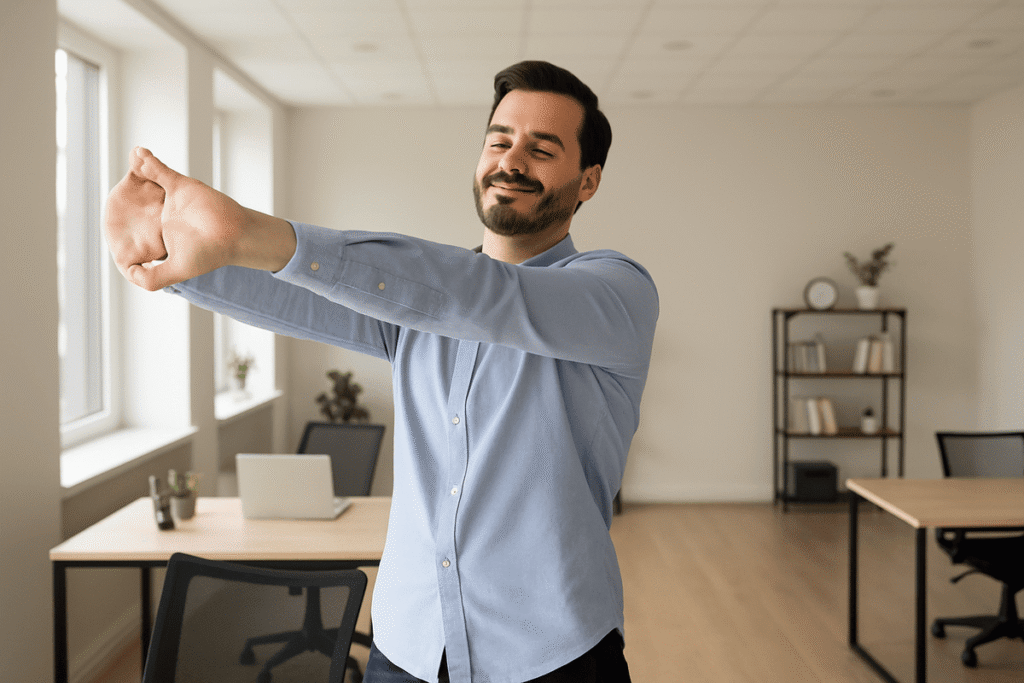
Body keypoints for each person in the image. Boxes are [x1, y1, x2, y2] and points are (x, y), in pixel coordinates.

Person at [105, 60, 658, 683]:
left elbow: (484, 296)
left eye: (542, 149)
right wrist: (172, 254)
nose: (511, 160)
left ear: (588, 181)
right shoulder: (414, 305)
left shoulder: (614, 294)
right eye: (499, 140)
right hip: (409, 648)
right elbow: (306, 297)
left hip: (553, 656)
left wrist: (248, 231)